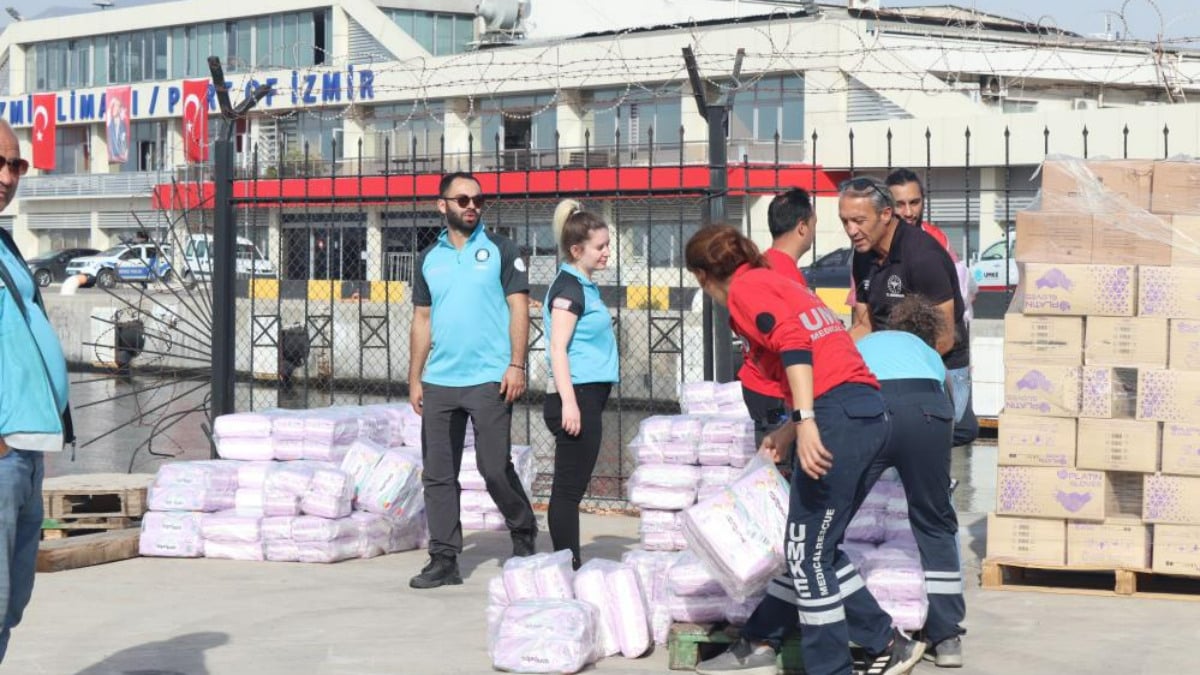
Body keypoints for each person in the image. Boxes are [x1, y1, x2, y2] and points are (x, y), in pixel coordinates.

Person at [686, 225, 924, 675]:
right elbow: (821, 349)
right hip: (864, 409)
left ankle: (832, 667)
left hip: (834, 415)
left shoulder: (744, 291)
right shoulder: (776, 281)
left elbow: (795, 345)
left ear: (703, 276)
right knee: (818, 546)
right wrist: (789, 433)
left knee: (805, 553)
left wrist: (806, 422)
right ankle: (887, 642)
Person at [407, 171, 538, 589]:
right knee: (438, 473)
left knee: (492, 466)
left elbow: (520, 308)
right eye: (462, 199)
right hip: (441, 380)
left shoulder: (502, 249)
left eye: (479, 201)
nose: (472, 207)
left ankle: (522, 528)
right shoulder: (429, 257)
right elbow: (421, 320)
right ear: (441, 205)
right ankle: (444, 558)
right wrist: (415, 378)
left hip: (489, 379)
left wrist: (516, 365)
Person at [856, 295, 966, 668]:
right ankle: (947, 636)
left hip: (871, 408)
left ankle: (857, 619)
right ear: (929, 335)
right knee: (935, 521)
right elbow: (950, 410)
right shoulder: (930, 356)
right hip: (928, 411)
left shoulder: (866, 342)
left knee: (834, 519)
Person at [0, 119, 74, 661]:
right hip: (4, 451)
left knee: (11, 602)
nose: (8, 176)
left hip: (26, 448)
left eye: (16, 164)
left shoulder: (5, 242)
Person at [541, 200, 619, 571]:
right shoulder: (569, 288)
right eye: (600, 246)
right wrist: (570, 404)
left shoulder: (582, 286)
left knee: (570, 489)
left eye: (606, 245)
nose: (606, 252)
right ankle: (567, 565)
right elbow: (557, 348)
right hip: (577, 398)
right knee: (568, 492)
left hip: (586, 396)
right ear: (577, 250)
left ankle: (567, 561)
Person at [884, 169, 978, 447]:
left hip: (939, 354)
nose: (909, 212)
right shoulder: (869, 251)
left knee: (957, 426)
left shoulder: (935, 243)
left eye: (915, 202)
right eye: (900, 204)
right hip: (899, 359)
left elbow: (958, 303)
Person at [740, 188, 812, 447]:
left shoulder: (762, 264)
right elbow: (796, 339)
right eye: (813, 223)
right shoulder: (785, 275)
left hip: (759, 383)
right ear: (803, 227)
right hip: (776, 390)